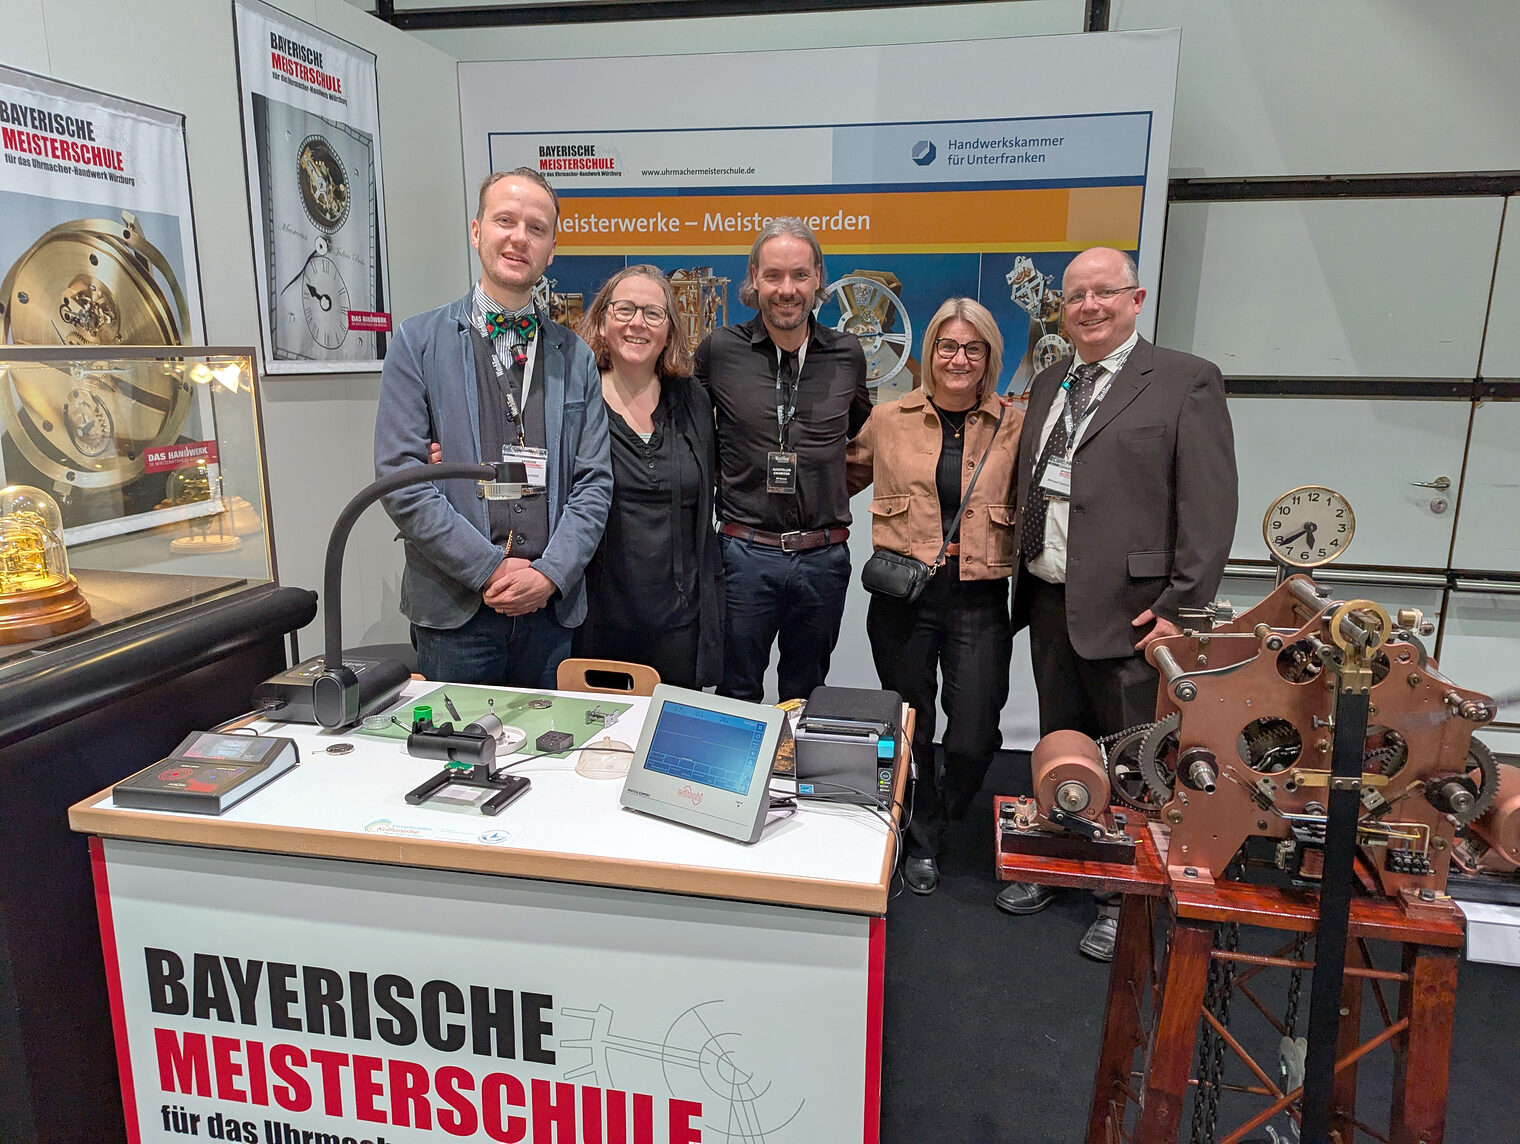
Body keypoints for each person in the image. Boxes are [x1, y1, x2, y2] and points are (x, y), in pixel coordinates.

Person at [995, 246, 1237, 960]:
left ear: (1136, 300)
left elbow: (1209, 505)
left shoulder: (1185, 381)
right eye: (1075, 297)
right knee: (1062, 745)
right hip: (1048, 600)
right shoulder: (1049, 382)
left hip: (1134, 613)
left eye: (1105, 293)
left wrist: (1184, 606)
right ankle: (1063, 863)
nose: (1089, 307)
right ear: (1061, 309)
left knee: (1134, 759)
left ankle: (1119, 895)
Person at [374, 167, 611, 688]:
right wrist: (490, 568)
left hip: (550, 614)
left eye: (536, 228)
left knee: (550, 758)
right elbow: (401, 479)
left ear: (551, 250)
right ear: (477, 231)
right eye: (505, 220)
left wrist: (549, 574)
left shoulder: (576, 358)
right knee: (460, 758)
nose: (518, 237)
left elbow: (594, 484)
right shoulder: (417, 343)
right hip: (455, 614)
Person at [846, 299, 1023, 894]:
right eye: (947, 346)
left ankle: (947, 807)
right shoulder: (890, 417)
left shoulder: (1015, 422)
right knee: (909, 723)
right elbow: (840, 474)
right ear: (928, 353)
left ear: (990, 357)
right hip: (904, 597)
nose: (958, 359)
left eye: (974, 348)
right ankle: (919, 836)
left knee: (973, 734)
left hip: (978, 595)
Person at [694, 218, 871, 702]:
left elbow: (855, 434)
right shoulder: (719, 351)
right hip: (743, 555)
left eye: (799, 275)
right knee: (736, 692)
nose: (786, 289)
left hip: (822, 558)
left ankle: (793, 780)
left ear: (818, 278)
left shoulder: (846, 354)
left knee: (806, 693)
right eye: (773, 275)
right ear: (754, 278)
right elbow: (693, 436)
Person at [571, 265, 723, 689]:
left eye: (653, 313)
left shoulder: (692, 399)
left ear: (669, 330)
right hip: (597, 624)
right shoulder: (575, 402)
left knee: (668, 751)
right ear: (602, 321)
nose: (637, 322)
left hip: (679, 624)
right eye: (624, 310)